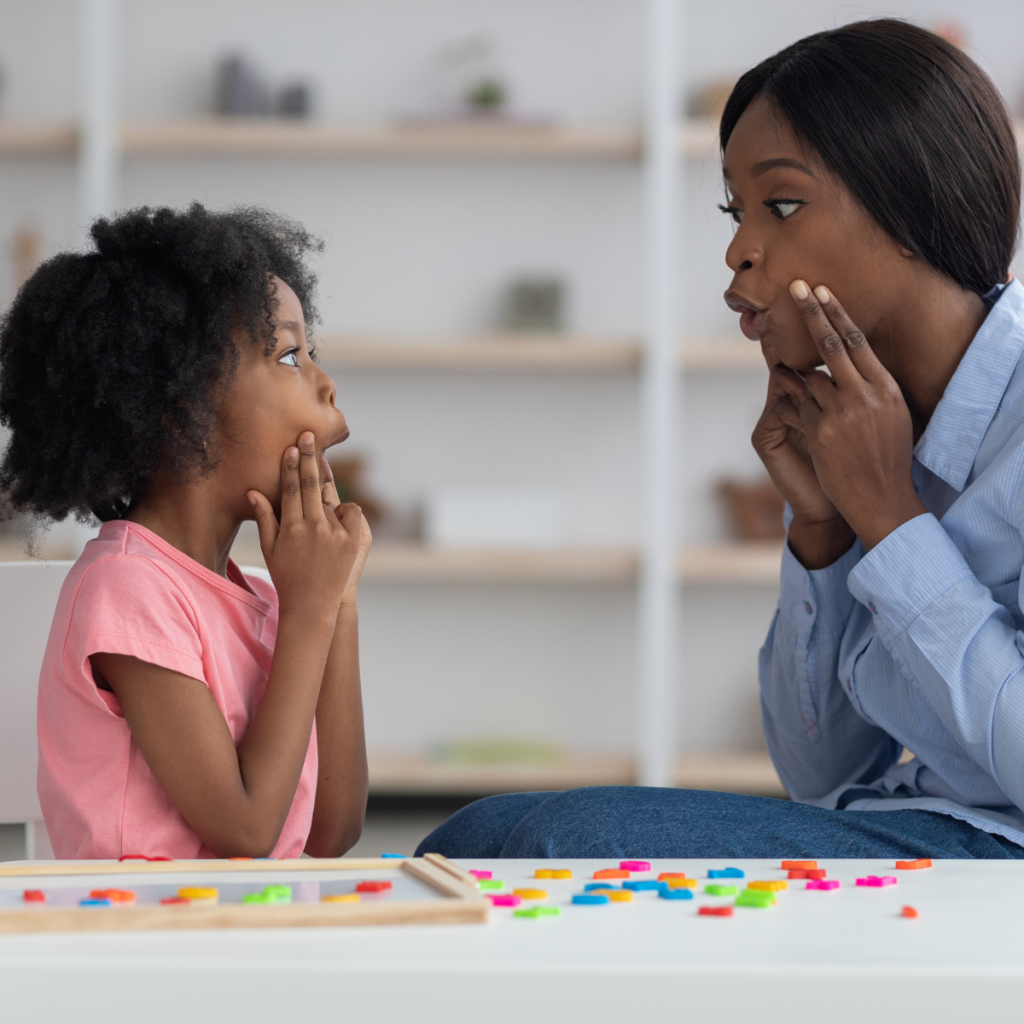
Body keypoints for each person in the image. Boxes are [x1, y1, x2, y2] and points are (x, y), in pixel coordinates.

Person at [416, 19, 1024, 859]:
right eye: (735, 212)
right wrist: (825, 532)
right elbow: (822, 772)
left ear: (910, 201)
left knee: (561, 839)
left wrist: (890, 519)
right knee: (481, 829)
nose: (738, 252)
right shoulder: (864, 428)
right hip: (919, 823)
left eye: (781, 204)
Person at [0, 204, 371, 859]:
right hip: (149, 946)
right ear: (183, 409)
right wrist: (311, 610)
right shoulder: (127, 589)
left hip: (246, 938)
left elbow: (330, 831)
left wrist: (336, 600)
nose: (325, 382)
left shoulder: (266, 594)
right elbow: (245, 832)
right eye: (289, 356)